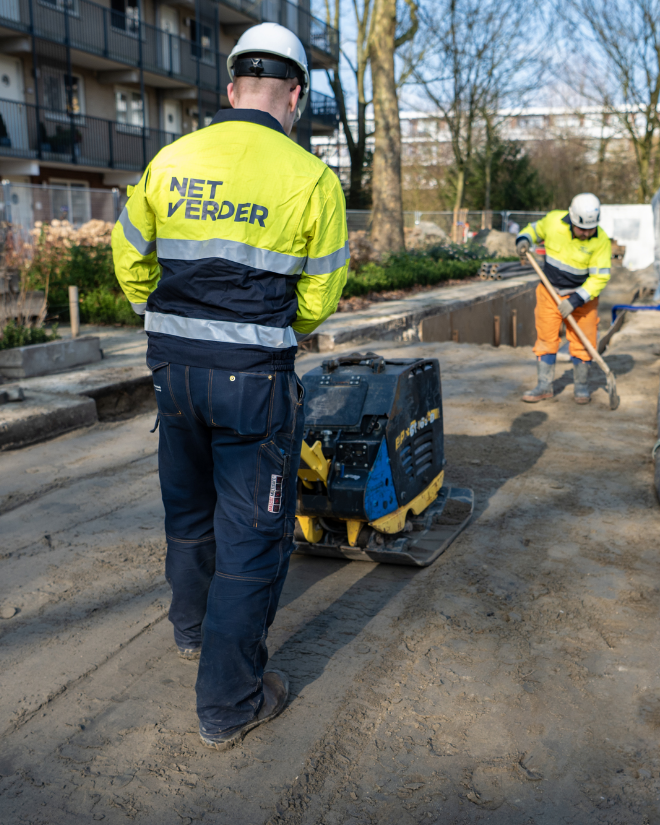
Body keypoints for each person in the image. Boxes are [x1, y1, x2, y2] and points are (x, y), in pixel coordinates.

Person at [111, 22, 349, 751]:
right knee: (252, 541)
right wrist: (273, 323)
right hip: (254, 385)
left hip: (174, 375)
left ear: (228, 87)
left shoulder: (170, 160)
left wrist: (169, 314)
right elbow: (321, 296)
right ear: (297, 94)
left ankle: (191, 633)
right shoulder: (310, 179)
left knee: (188, 513)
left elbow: (129, 262)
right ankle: (229, 703)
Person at [516, 193, 611, 404]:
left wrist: (576, 300)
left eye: (590, 229)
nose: (586, 233)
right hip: (550, 292)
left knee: (584, 341)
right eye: (582, 228)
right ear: (571, 219)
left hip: (582, 298)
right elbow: (534, 229)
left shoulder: (601, 240)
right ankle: (544, 386)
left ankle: (582, 387)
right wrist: (524, 239)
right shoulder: (553, 222)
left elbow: (600, 277)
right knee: (546, 338)